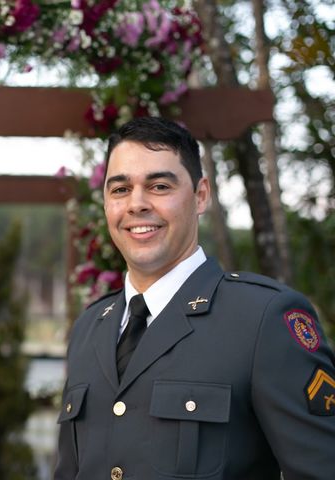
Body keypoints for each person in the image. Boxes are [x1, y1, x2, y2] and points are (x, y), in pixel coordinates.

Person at [54, 117, 335, 479]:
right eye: (120, 189)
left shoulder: (262, 319)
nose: (136, 204)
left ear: (200, 195)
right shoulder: (90, 327)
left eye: (158, 186)